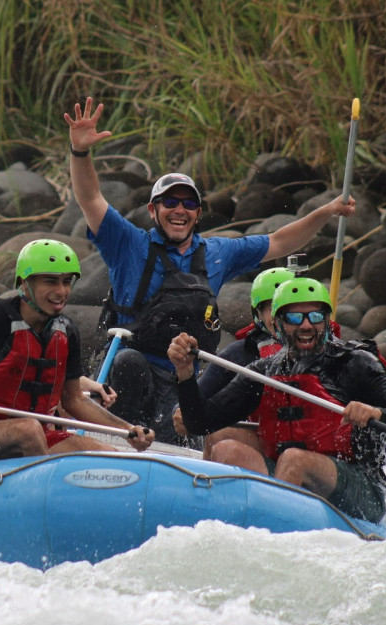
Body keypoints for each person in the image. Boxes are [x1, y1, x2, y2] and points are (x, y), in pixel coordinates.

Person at [64, 96, 357, 445]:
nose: (179, 210)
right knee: (129, 362)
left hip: (186, 375)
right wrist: (79, 152)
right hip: (132, 370)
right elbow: (90, 198)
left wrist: (326, 212)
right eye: (170, 202)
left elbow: (280, 242)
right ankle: (118, 443)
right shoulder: (128, 243)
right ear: (153, 209)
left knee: (185, 418)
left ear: (198, 214)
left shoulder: (218, 252)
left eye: (188, 204)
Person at [167, 276, 386, 523]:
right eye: (294, 317)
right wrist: (185, 373)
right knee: (226, 446)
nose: (305, 325)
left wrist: (376, 413)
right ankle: (230, 519)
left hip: (361, 489)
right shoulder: (265, 370)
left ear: (326, 321)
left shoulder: (355, 363)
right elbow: (200, 422)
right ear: (278, 324)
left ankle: (270, 529)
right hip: (289, 479)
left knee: (294, 459)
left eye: (315, 316)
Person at [0, 239, 155, 461]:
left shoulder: (66, 330)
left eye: (66, 281)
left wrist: (127, 430)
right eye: (50, 281)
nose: (61, 292)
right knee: (27, 429)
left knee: (107, 455)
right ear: (24, 283)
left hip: (39, 436)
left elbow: (73, 401)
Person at [172, 266, 292, 458]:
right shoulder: (238, 354)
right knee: (217, 435)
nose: (283, 319)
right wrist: (181, 412)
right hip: (263, 443)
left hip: (309, 447)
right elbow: (197, 402)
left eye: (290, 310)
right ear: (258, 314)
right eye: (273, 309)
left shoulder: (332, 354)